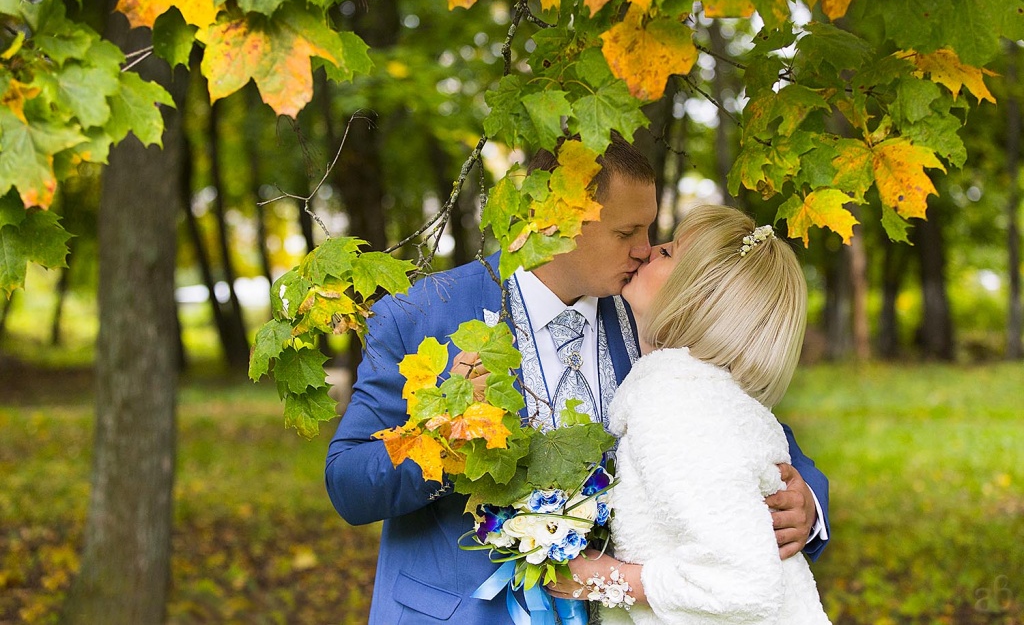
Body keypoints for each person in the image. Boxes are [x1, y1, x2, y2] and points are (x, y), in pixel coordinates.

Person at [324, 139, 829, 623]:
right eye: (625, 233)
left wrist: (807, 504)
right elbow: (349, 483)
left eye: (649, 229)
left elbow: (744, 424)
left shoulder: (655, 312)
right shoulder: (420, 315)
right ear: (555, 219)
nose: (644, 250)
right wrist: (447, 440)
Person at [547, 205, 831, 624]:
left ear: (696, 296)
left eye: (667, 252)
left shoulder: (675, 397)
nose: (647, 250)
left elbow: (742, 582)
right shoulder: (705, 388)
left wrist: (604, 578)